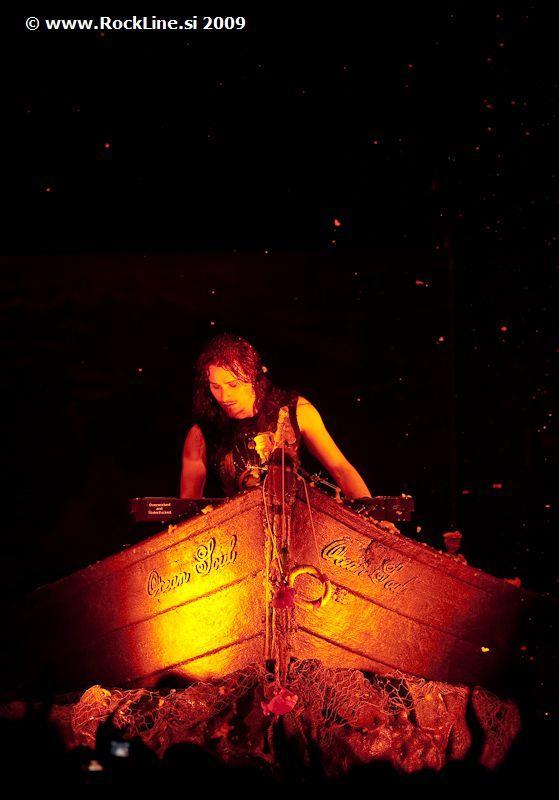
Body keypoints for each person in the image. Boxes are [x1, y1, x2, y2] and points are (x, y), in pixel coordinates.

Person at [180, 333, 374, 503]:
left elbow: (340, 468)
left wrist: (373, 517)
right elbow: (188, 506)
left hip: (297, 522)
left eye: (233, 385)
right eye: (216, 387)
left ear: (253, 376)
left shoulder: (297, 410)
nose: (224, 396)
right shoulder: (201, 434)